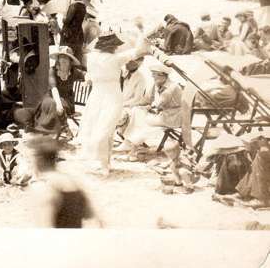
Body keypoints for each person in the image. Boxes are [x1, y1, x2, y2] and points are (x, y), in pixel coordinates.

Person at [78, 30, 148, 175]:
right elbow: (139, 51)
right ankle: (105, 163)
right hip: (110, 96)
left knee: (98, 127)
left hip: (97, 96)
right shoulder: (116, 59)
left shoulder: (91, 58)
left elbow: (89, 75)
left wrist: (89, 79)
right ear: (111, 47)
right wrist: (143, 34)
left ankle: (105, 163)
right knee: (106, 130)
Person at [28, 136, 101, 228]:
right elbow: (95, 220)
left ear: (39, 160)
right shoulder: (72, 182)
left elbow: (45, 229)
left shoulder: (43, 186)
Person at [117, 63, 183, 161]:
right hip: (161, 115)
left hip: (172, 117)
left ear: (162, 75)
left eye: (154, 74)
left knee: (141, 119)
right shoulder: (156, 84)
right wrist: (134, 105)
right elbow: (146, 99)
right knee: (136, 112)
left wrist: (146, 108)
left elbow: (158, 103)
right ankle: (132, 148)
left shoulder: (172, 87)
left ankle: (131, 145)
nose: (152, 77)